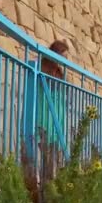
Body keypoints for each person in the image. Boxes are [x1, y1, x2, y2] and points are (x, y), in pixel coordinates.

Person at [36, 40, 70, 178]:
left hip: (57, 122)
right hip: (46, 122)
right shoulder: (43, 69)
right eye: (64, 55)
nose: (66, 59)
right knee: (48, 165)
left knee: (55, 164)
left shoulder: (58, 72)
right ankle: (46, 196)